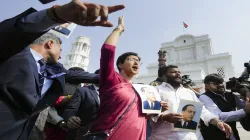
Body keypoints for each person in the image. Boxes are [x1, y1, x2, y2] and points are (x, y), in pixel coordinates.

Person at [0, 1, 125, 139]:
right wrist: (54, 15)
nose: (61, 55)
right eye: (61, 49)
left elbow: (84, 75)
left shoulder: (56, 71)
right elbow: (11, 32)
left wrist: (119, 79)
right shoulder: (14, 53)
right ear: (50, 43)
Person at [149, 65, 232, 140]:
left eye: (179, 72)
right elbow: (148, 114)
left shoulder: (189, 92)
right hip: (164, 137)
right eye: (173, 72)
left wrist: (218, 123)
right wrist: (164, 117)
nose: (178, 74)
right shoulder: (155, 90)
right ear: (164, 76)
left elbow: (203, 111)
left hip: (192, 137)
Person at [199, 73, 250, 140]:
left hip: (233, 134)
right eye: (216, 83)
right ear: (207, 86)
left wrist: (246, 93)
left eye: (221, 82)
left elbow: (243, 106)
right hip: (215, 136)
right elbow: (219, 116)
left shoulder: (230, 95)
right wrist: (245, 111)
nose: (220, 85)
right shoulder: (204, 97)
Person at [63, 69, 100, 140]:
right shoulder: (83, 90)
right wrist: (69, 118)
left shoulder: (111, 94)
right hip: (80, 134)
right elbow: (70, 109)